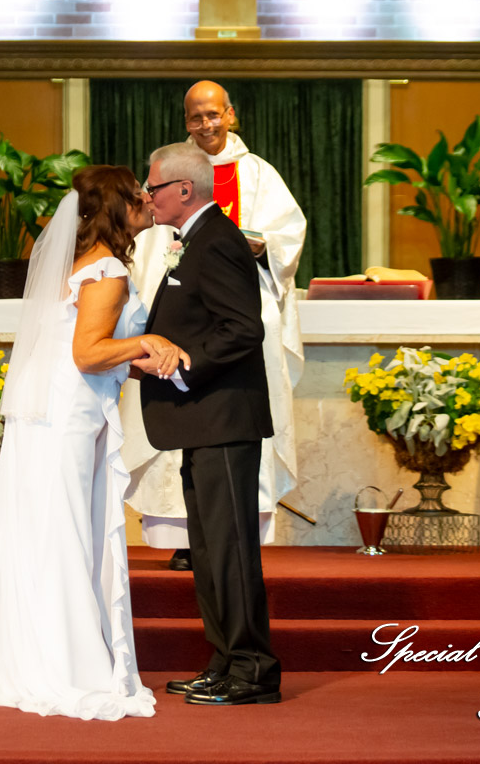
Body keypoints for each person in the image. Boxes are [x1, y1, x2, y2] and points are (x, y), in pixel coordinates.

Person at [0, 165, 183, 721]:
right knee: (67, 533)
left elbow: (78, 349)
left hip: (51, 416)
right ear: (116, 209)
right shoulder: (107, 270)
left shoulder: (78, 266)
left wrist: (141, 363)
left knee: (46, 530)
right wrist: (147, 342)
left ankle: (33, 658)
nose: (146, 205)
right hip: (69, 420)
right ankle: (69, 666)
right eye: (137, 198)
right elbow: (88, 353)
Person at [124, 80, 305, 571]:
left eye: (213, 115)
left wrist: (257, 244)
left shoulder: (258, 174)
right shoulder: (171, 171)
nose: (206, 124)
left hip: (237, 314)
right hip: (181, 313)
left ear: (231, 114)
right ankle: (187, 534)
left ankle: (235, 533)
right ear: (186, 121)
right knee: (179, 429)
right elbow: (148, 243)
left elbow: (288, 233)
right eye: (196, 117)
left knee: (225, 422)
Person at [137, 141, 281, 706]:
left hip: (224, 417)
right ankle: (224, 661)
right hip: (204, 419)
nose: (147, 197)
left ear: (183, 190)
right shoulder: (192, 240)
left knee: (230, 548)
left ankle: (253, 669)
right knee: (209, 547)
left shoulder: (217, 241)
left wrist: (184, 359)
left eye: (153, 187)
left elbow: (244, 328)